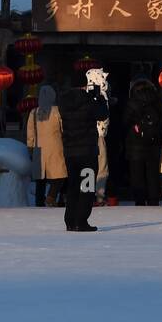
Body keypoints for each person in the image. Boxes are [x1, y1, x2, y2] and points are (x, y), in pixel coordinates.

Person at [58, 71, 110, 232]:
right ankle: (81, 220)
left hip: (70, 151)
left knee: (73, 185)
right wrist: (99, 98)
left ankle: (70, 220)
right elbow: (103, 114)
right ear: (84, 84)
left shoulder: (63, 102)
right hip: (87, 151)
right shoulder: (88, 100)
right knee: (86, 187)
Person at [124, 78, 162, 205]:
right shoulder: (157, 101)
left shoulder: (132, 102)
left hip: (135, 144)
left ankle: (140, 200)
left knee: (137, 175)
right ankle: (153, 199)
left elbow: (125, 121)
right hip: (153, 143)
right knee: (152, 174)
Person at [26, 84, 67, 208]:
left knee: (40, 179)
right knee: (60, 175)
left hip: (39, 149)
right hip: (56, 147)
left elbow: (30, 132)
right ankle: (52, 196)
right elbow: (63, 129)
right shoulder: (57, 111)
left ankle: (39, 203)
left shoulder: (34, 112)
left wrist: (30, 147)